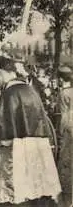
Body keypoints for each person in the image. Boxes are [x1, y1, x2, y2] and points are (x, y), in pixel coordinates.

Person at [0, 55, 61, 207]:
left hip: (16, 149)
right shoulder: (30, 90)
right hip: (37, 146)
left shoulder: (9, 93)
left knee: (14, 191)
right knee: (34, 188)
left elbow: (2, 127)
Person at [57, 65, 72, 207]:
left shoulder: (64, 93)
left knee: (67, 161)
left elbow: (64, 115)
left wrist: (60, 132)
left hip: (69, 127)